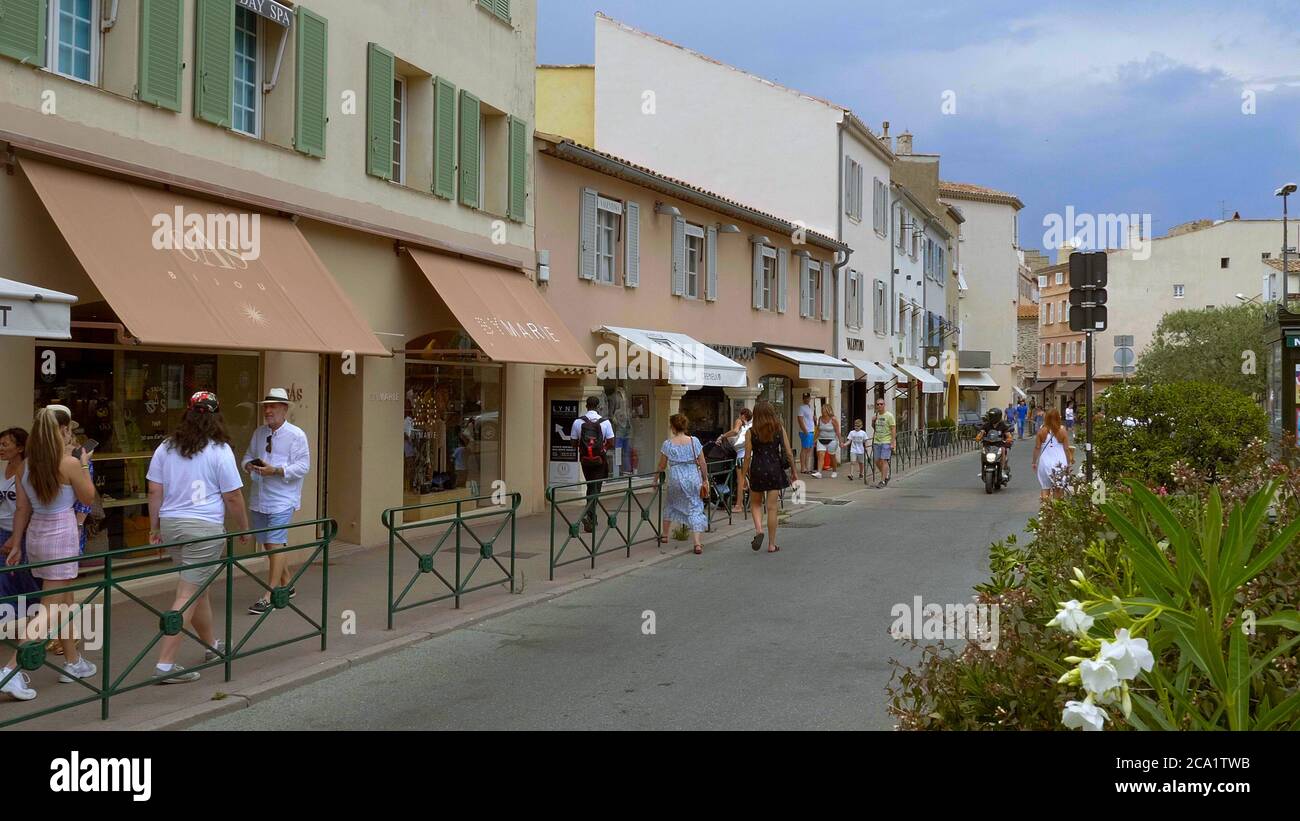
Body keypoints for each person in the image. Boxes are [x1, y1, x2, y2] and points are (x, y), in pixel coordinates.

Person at [146, 391, 249, 683]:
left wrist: (154, 527)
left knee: (196, 586)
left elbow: (154, 490)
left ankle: (210, 645)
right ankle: (164, 665)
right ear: (217, 417)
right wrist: (243, 528)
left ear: (187, 414)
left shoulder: (166, 446)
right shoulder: (220, 450)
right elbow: (233, 496)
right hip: (204, 528)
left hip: (172, 525)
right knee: (187, 593)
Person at [4, 408, 96, 690]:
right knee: (50, 607)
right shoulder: (67, 463)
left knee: (62, 599)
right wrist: (83, 465)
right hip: (61, 533)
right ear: (63, 432)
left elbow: (22, 508)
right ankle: (9, 672)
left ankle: (73, 662)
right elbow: (88, 496)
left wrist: (16, 543)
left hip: (36, 535)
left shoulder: (24, 466)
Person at [241, 388, 311, 616]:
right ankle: (288, 583)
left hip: (283, 499)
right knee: (268, 543)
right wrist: (249, 465)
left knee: (275, 539)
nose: (268, 410)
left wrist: (277, 470)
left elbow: (303, 466)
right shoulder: (259, 433)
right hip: (259, 497)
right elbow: (246, 457)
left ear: (284, 409)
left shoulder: (297, 435)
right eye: (265, 406)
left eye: (272, 406)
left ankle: (270, 594)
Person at [0, 427, 41, 701]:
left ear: (20, 447)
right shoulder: (2, 470)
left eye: (6, 444)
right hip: (2, 531)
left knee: (32, 587)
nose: (1, 448)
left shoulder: (27, 469)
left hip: (23, 533)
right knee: (5, 584)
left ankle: (44, 633)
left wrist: (16, 537)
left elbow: (27, 508)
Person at [742, 401, 796, 553]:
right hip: (774, 470)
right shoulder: (778, 428)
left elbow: (747, 456)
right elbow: (789, 452)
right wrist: (794, 471)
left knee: (755, 504)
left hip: (757, 469)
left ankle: (759, 530)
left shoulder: (751, 432)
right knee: (772, 508)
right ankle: (772, 545)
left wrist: (743, 475)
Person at [655, 414, 709, 555]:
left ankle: (665, 535)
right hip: (693, 478)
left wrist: (655, 479)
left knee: (670, 503)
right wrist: (705, 479)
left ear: (672, 427)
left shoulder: (668, 444)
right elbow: (702, 462)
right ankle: (697, 543)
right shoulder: (694, 441)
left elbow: (661, 465)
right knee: (695, 507)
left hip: (675, 478)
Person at [570, 395, 615, 534]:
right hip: (600, 459)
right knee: (596, 488)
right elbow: (612, 442)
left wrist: (583, 449)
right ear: (598, 406)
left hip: (585, 460)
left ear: (586, 406)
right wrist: (602, 449)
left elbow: (573, 443)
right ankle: (588, 516)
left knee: (590, 485)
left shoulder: (578, 422)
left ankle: (591, 517)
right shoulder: (605, 422)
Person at [1033, 408, 1073, 501]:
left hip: (1044, 462)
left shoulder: (1041, 431)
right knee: (1058, 489)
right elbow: (1066, 449)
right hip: (1059, 463)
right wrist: (1069, 463)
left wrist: (1034, 462)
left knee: (1045, 488)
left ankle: (1045, 511)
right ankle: (1056, 511)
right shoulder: (1062, 431)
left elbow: (1037, 448)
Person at [976, 406, 1014, 482]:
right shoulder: (987, 425)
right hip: (988, 444)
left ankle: (1002, 470)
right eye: (991, 416)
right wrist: (979, 436)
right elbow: (982, 432)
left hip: (999, 444)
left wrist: (1009, 439)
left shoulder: (1002, 425)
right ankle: (983, 469)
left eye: (994, 416)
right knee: (982, 452)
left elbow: (1008, 434)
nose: (993, 418)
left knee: (1003, 450)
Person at [729, 408, 753, 514]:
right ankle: (752, 503)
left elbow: (734, 431)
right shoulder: (751, 425)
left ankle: (739, 504)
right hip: (750, 454)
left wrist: (723, 436)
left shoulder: (739, 421)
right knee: (750, 479)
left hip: (741, 455)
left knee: (740, 480)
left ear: (743, 415)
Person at [812, 404, 843, 478]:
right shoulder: (820, 418)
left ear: (828, 411)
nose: (823, 412)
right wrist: (814, 440)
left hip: (831, 440)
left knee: (832, 456)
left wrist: (840, 442)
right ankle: (819, 472)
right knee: (820, 455)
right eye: (822, 410)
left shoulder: (833, 419)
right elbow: (818, 430)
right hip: (821, 439)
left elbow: (837, 431)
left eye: (824, 410)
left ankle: (834, 471)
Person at [872, 398, 896, 489]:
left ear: (884, 405)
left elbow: (893, 429)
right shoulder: (876, 415)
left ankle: (882, 480)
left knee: (884, 460)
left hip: (886, 441)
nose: (879, 406)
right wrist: (873, 421)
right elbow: (874, 428)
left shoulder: (889, 416)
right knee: (876, 461)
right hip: (877, 441)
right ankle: (885, 474)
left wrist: (893, 442)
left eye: (881, 404)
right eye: (878, 404)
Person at [797, 393, 816, 473]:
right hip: (806, 431)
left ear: (809, 398)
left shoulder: (810, 408)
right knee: (804, 449)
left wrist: (815, 419)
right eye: (805, 398)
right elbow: (800, 420)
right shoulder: (801, 408)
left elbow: (811, 419)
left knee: (809, 449)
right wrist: (805, 430)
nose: (806, 399)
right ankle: (803, 468)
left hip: (811, 430)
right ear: (803, 399)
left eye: (808, 398)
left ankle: (807, 467)